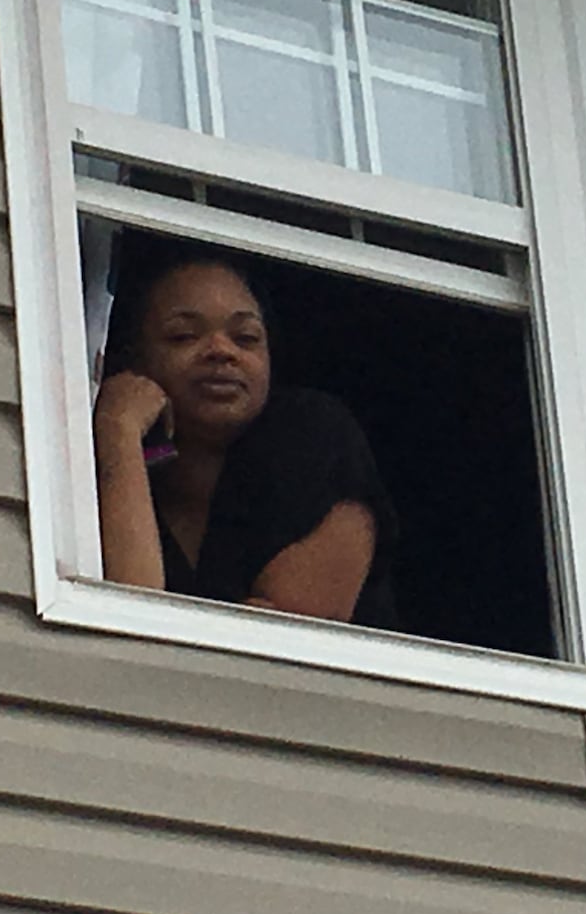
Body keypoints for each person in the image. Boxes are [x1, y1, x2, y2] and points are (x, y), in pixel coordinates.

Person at [91, 243, 397, 628]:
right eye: (183, 336)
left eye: (246, 338)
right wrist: (117, 430)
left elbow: (283, 629)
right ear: (134, 361)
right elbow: (131, 617)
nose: (221, 350)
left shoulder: (314, 432)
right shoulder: (109, 480)